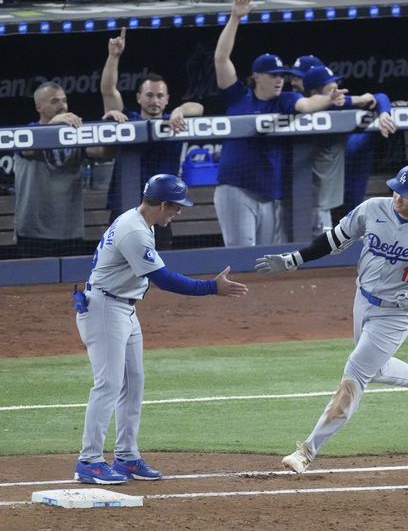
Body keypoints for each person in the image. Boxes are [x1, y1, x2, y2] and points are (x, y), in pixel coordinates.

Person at [255, 164, 408, 473]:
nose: (398, 197)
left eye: (406, 195)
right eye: (396, 189)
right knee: (374, 368)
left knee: (353, 377)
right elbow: (333, 239)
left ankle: (306, 452)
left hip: (396, 314)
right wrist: (293, 260)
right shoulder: (372, 209)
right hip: (362, 300)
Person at [73, 173, 248, 484]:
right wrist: (211, 288)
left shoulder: (140, 222)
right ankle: (89, 460)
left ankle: (126, 456)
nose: (178, 212)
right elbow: (164, 279)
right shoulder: (134, 232)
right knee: (109, 385)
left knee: (134, 383)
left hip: (123, 308)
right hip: (104, 310)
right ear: (163, 204)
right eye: (176, 207)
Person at [213, 0, 347, 247]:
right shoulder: (238, 97)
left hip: (268, 194)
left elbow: (306, 106)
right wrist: (235, 18)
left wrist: (328, 99)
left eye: (282, 76)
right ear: (256, 76)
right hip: (235, 187)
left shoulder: (284, 100)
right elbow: (221, 59)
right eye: (273, 75)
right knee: (243, 256)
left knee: (264, 258)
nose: (279, 80)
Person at [100, 27, 205, 251]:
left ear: (167, 99)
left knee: (158, 273)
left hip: (161, 210)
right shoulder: (128, 119)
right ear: (139, 97)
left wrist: (179, 111)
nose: (154, 100)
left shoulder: (174, 120)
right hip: (126, 207)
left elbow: (197, 107)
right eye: (149, 95)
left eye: (159, 96)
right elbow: (109, 91)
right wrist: (113, 56)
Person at [300, 65, 397, 235]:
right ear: (315, 93)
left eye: (336, 86)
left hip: (335, 193)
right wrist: (357, 99)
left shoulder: (339, 105)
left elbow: (380, 97)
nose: (337, 92)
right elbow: (331, 103)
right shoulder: (300, 110)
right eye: (331, 88)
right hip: (307, 197)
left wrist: (384, 114)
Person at [13, 82, 101, 258]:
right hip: (33, 231)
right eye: (54, 101)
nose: (62, 106)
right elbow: (28, 150)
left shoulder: (76, 135)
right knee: (33, 284)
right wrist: (52, 126)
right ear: (39, 107)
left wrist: (111, 121)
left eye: (64, 100)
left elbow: (103, 152)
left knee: (71, 285)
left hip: (70, 231)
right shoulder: (26, 132)